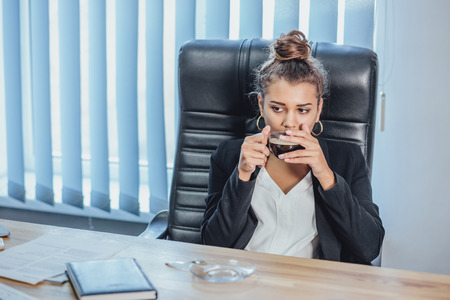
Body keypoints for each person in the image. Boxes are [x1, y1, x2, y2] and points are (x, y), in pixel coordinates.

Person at [200, 30, 384, 264]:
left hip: (310, 286)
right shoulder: (228, 156)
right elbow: (213, 246)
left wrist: (326, 176)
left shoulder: (347, 158)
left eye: (303, 110)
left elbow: (369, 248)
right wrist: (242, 175)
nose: (289, 122)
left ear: (318, 109)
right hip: (245, 280)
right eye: (277, 108)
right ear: (261, 104)